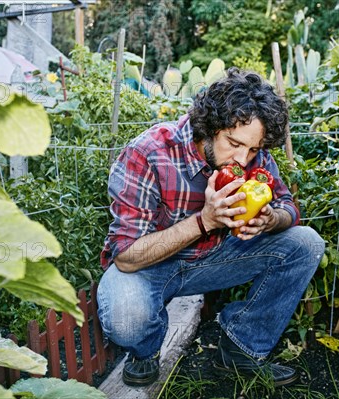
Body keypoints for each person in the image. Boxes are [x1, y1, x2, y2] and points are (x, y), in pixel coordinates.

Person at [97, 67, 325, 387]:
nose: (244, 159)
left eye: (254, 149)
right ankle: (145, 351)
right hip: (151, 265)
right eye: (234, 143)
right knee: (125, 313)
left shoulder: (248, 154)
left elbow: (288, 206)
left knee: (306, 243)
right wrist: (205, 221)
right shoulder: (149, 152)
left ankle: (241, 347)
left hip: (215, 259)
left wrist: (272, 219)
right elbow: (126, 257)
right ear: (211, 126)